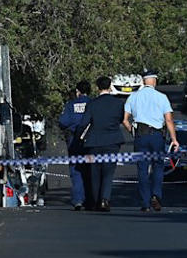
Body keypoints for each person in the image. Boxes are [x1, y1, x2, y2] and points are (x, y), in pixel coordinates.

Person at [123, 69, 179, 212]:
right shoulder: (162, 97)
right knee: (158, 167)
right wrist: (174, 139)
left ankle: (145, 202)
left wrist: (132, 130)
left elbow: (125, 120)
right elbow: (168, 119)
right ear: (154, 81)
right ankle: (156, 195)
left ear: (143, 81)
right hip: (157, 136)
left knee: (142, 169)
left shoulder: (133, 96)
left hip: (141, 135)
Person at [78, 76, 126, 212]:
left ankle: (94, 200)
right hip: (112, 141)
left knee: (95, 172)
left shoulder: (92, 104)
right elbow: (121, 118)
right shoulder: (118, 103)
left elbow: (83, 123)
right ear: (110, 86)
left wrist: (79, 138)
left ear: (97, 87)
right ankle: (104, 199)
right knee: (108, 172)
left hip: (94, 142)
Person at [58, 80, 91, 210]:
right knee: (90, 169)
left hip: (75, 140)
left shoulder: (71, 105)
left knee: (76, 169)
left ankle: (78, 199)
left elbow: (63, 122)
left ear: (78, 92)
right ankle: (90, 198)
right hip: (91, 140)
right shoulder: (92, 103)